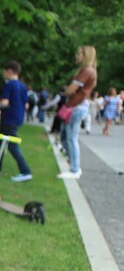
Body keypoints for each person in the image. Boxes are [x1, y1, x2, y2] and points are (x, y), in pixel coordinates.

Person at [58, 45, 97, 179]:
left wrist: (68, 90)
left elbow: (71, 89)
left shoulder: (86, 71)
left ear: (85, 56)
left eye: (79, 53)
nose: (77, 56)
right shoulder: (89, 71)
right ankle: (73, 164)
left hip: (76, 106)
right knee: (65, 137)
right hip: (76, 105)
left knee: (71, 138)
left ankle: (74, 169)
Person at [0, 60, 32, 182]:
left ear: (9, 71)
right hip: (17, 118)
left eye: (4, 71)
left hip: (9, 118)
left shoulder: (9, 85)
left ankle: (25, 171)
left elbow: (5, 102)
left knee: (12, 145)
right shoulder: (22, 86)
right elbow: (26, 104)